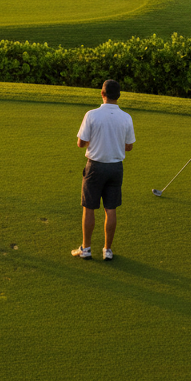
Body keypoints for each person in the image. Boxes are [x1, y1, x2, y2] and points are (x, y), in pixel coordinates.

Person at [72, 79, 135, 261]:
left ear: (102, 93)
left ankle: (86, 249)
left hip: (95, 166)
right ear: (119, 96)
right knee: (111, 208)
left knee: (89, 207)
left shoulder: (92, 115)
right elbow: (129, 146)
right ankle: (107, 250)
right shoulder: (126, 117)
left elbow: (80, 143)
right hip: (116, 167)